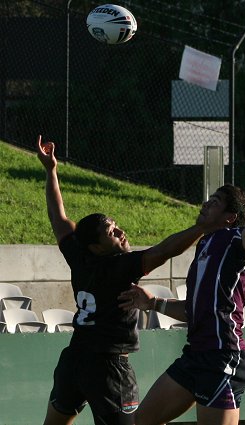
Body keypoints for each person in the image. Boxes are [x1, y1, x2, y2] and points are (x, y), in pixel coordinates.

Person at [36, 134, 204, 425]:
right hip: (109, 367)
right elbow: (164, 250)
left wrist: (51, 171)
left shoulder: (80, 256)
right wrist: (203, 226)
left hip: (74, 360)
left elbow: (58, 219)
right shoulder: (119, 266)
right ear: (97, 246)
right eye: (112, 232)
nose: (120, 232)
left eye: (116, 226)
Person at [118, 148, 245, 425]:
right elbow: (195, 311)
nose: (205, 204)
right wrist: (153, 303)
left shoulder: (236, 241)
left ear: (230, 217)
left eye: (214, 202)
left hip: (223, 357)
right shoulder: (203, 244)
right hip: (195, 356)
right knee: (141, 421)